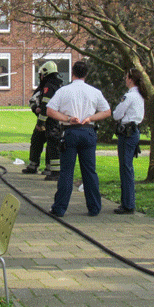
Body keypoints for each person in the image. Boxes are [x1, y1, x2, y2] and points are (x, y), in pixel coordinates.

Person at [46, 60, 111, 217]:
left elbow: (50, 111)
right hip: (88, 132)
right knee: (89, 171)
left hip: (70, 132)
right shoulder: (94, 91)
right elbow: (107, 111)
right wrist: (90, 118)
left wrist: (67, 118)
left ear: (72, 72)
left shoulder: (64, 91)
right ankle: (94, 207)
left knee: (67, 171)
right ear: (86, 74)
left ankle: (60, 208)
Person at [112, 69, 146, 214]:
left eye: (126, 77)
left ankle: (128, 204)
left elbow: (116, 114)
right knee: (127, 167)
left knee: (125, 168)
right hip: (134, 131)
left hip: (127, 133)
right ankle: (127, 202)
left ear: (131, 79)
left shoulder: (129, 96)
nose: (125, 80)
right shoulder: (140, 95)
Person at [22, 62, 63, 178]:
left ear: (45, 74)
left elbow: (46, 106)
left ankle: (54, 171)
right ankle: (34, 165)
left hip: (51, 122)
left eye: (41, 74)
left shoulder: (49, 86)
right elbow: (34, 100)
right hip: (51, 120)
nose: (40, 77)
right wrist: (35, 108)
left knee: (52, 144)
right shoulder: (57, 85)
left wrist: (41, 123)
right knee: (37, 140)